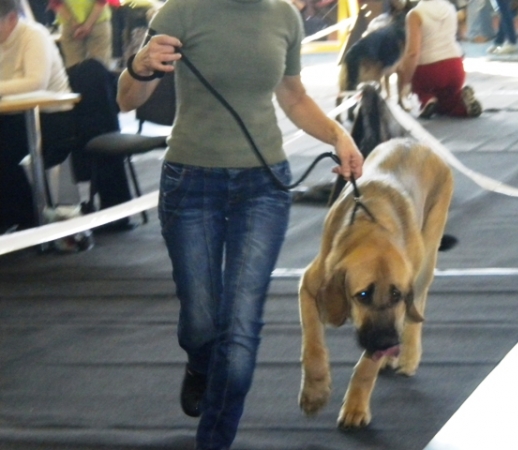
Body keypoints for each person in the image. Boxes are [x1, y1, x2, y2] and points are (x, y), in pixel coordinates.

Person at [116, 1, 363, 449]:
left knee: (242, 325)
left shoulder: (284, 17)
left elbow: (294, 96)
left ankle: (214, 439)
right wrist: (140, 65)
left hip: (263, 186)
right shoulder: (179, 12)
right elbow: (126, 99)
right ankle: (199, 363)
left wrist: (339, 137)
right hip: (190, 183)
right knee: (200, 322)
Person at [0, 0, 71, 232]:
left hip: (51, 117)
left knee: (4, 150)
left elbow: (36, 83)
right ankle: (19, 214)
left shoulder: (34, 35)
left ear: (11, 18)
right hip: (15, 116)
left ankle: (24, 215)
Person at [397, 0, 482, 119]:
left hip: (428, 71)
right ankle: (460, 102)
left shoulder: (415, 14)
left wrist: (406, 80)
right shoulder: (450, 8)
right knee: (448, 100)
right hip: (455, 67)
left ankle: (427, 99)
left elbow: (413, 53)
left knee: (420, 84)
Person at [48, 0, 113, 68]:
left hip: (69, 25)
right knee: (100, 67)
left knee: (74, 68)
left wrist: (73, 22)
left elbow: (55, 3)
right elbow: (101, 2)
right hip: (98, 22)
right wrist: (88, 25)